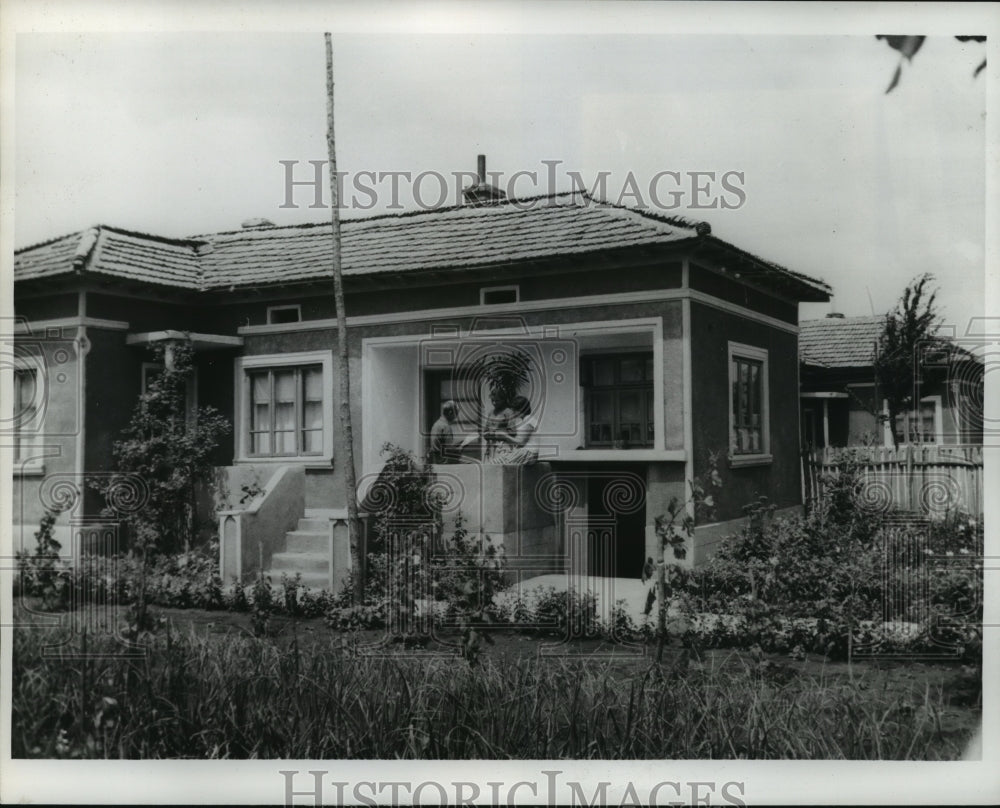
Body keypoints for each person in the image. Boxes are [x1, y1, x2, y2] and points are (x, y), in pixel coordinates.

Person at [485, 395, 538, 465]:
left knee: (494, 464)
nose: (513, 413)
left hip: (528, 453)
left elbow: (521, 442)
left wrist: (505, 436)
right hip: (524, 452)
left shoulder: (529, 420)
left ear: (520, 410)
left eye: (514, 411)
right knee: (494, 463)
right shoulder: (525, 420)